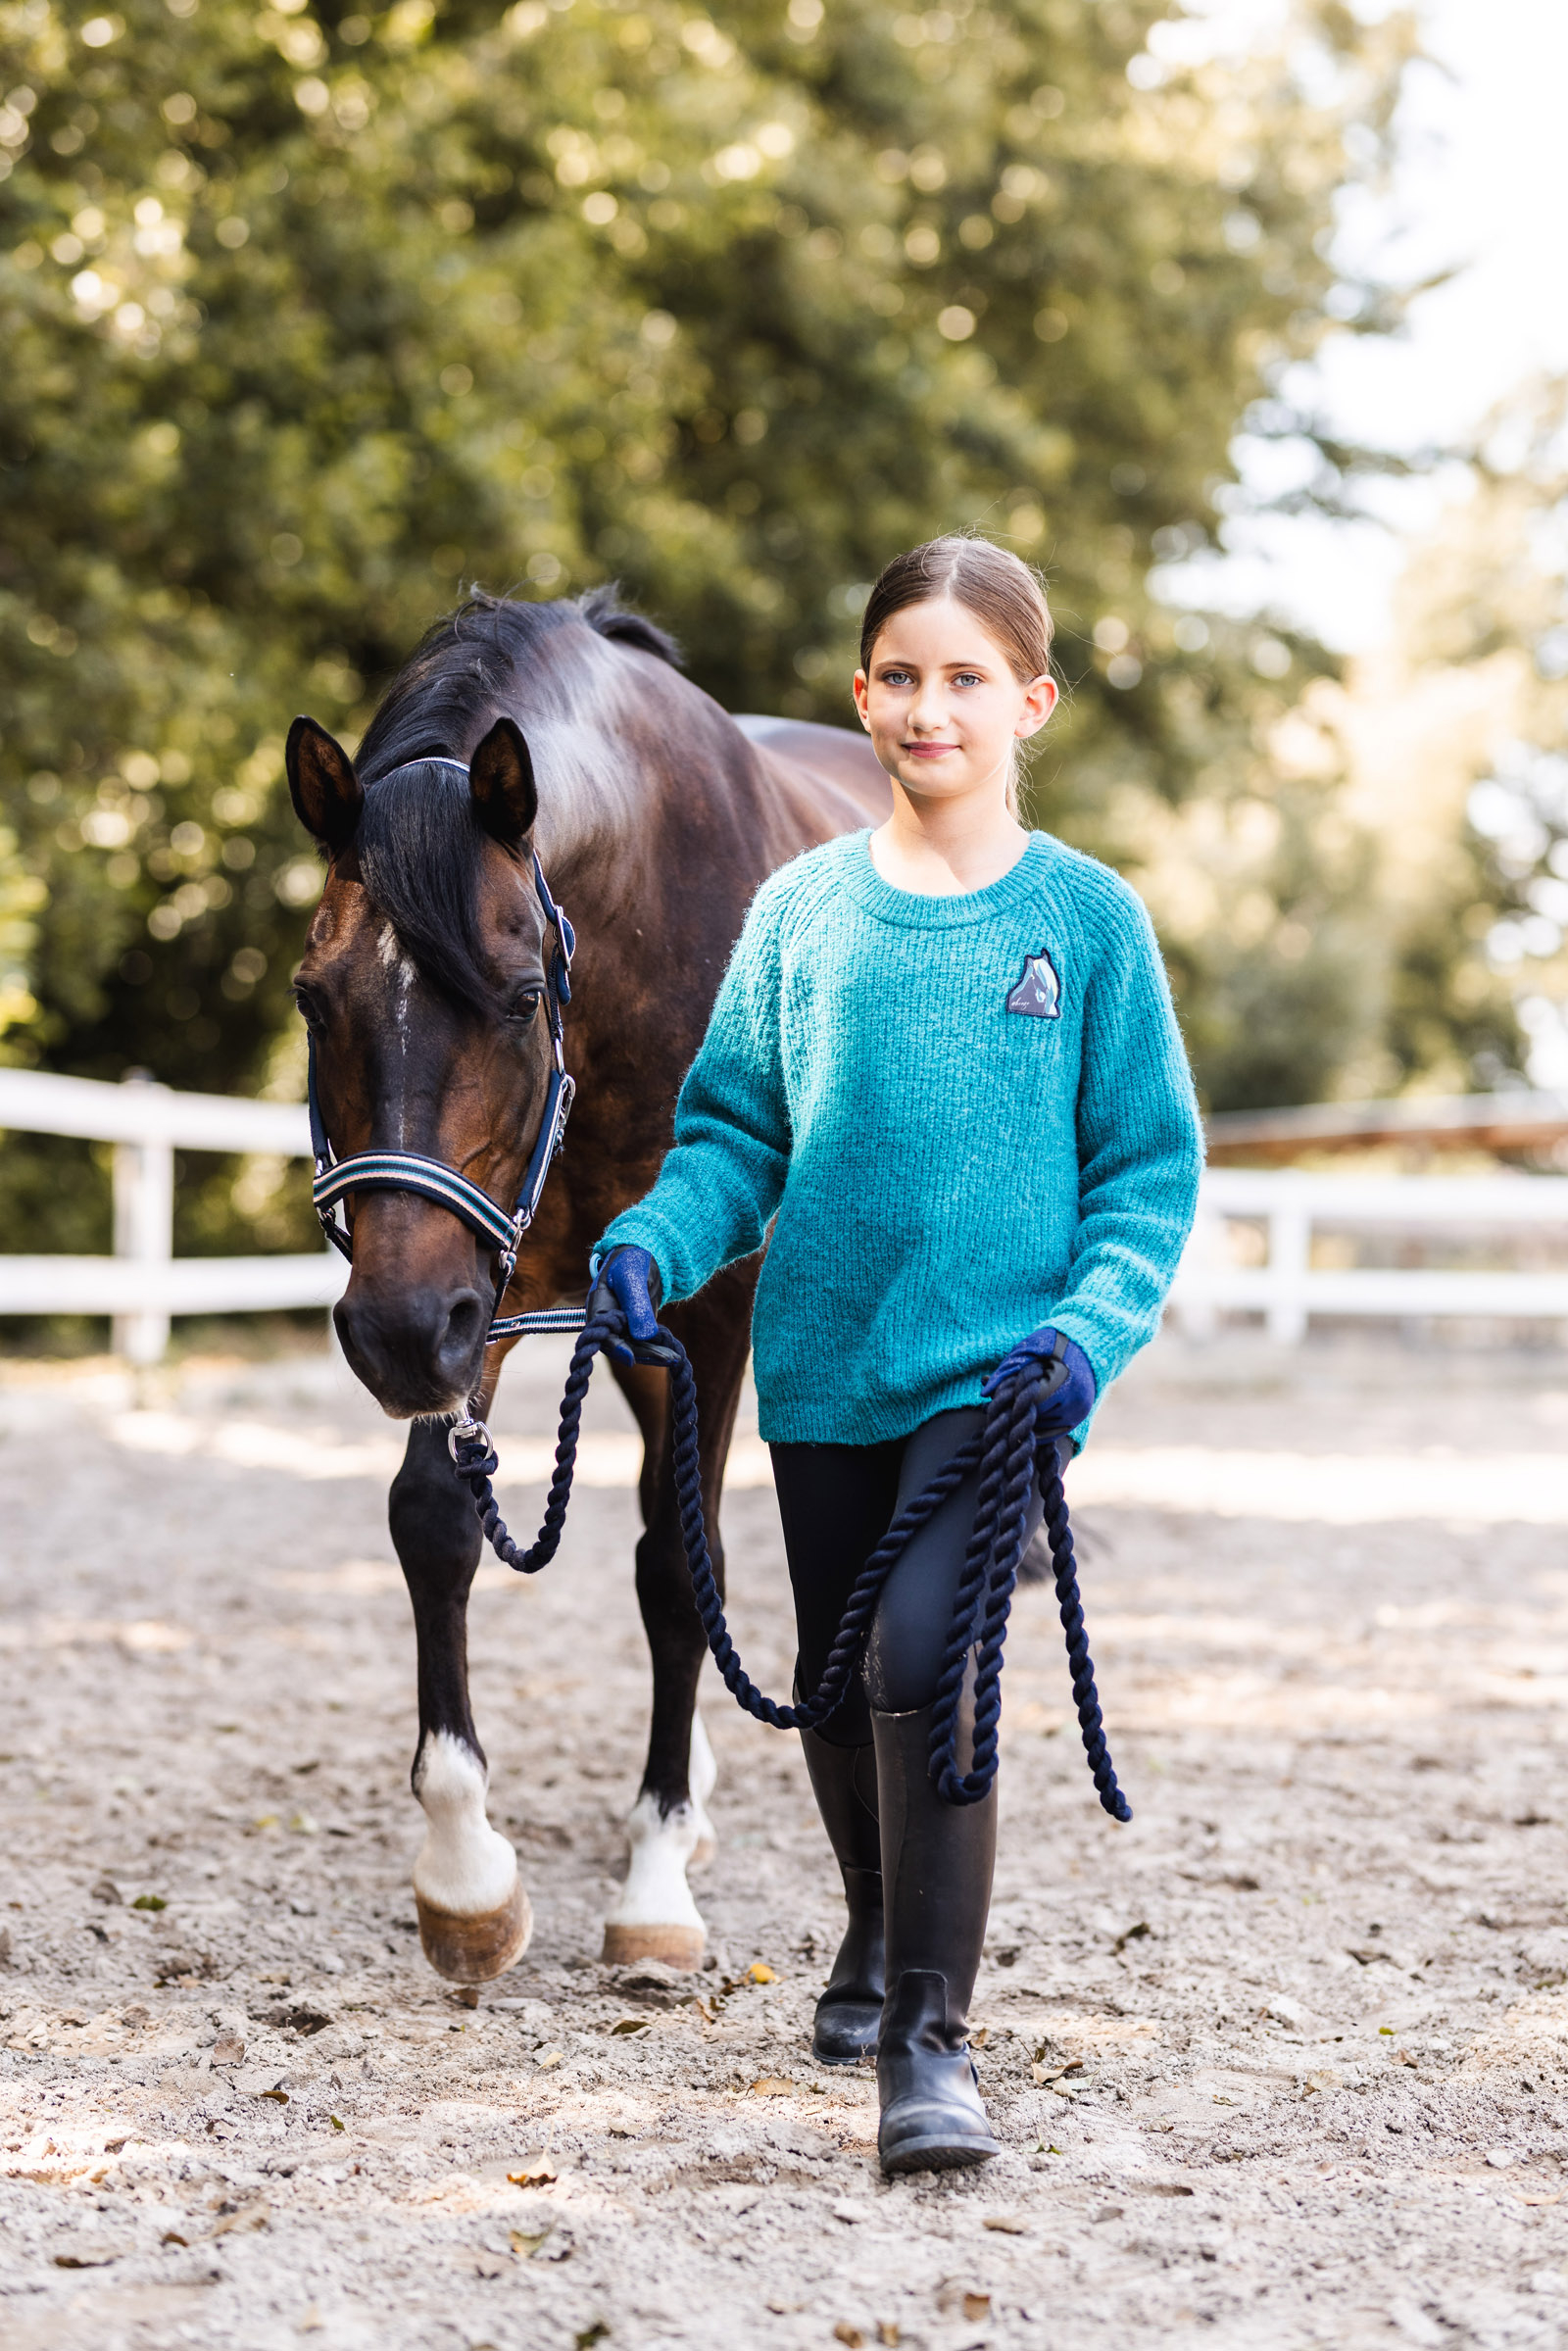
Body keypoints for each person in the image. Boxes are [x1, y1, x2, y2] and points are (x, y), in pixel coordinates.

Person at [589, 535, 1202, 2173]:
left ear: (1032, 703)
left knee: (926, 1661)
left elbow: (1148, 1172)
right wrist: (653, 1241)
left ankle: (931, 2046)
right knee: (834, 1686)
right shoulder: (801, 916)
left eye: (968, 679)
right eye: (905, 678)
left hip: (1000, 1379)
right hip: (824, 1369)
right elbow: (735, 1136)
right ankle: (873, 1921)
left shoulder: (1086, 921)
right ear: (863, 696)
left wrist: (1086, 1335)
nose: (934, 709)